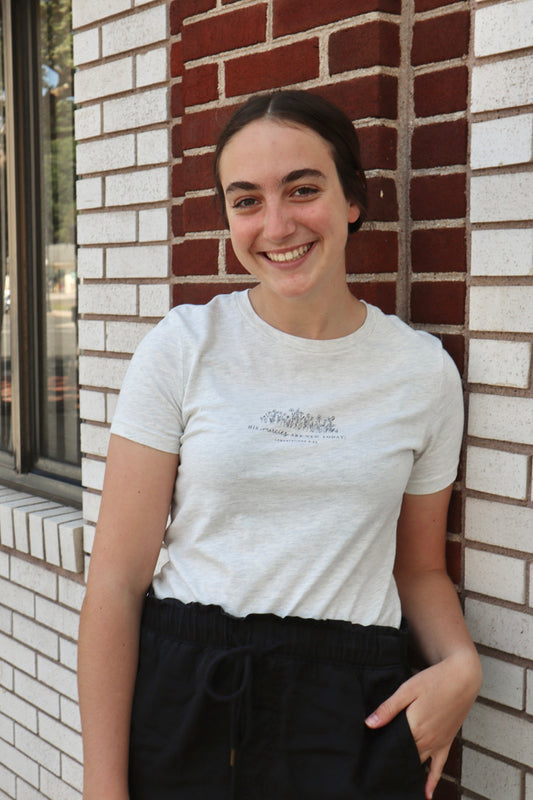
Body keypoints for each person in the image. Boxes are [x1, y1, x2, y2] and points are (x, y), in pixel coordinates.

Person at [78, 90, 482, 800]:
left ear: (351, 199)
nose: (276, 225)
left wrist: (460, 665)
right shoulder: (183, 347)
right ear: (227, 218)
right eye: (246, 200)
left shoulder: (422, 373)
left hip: (347, 708)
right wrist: (102, 788)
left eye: (302, 189)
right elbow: (116, 581)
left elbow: (417, 568)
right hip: (190, 693)